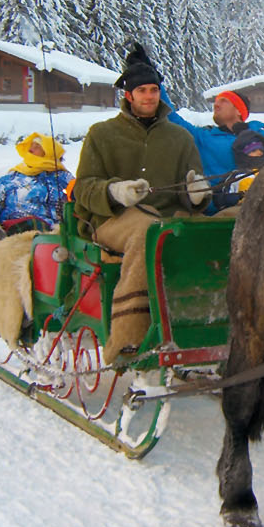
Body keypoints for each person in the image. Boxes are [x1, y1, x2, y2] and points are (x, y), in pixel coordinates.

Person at [71, 44, 211, 356]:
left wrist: (198, 193)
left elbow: (194, 189)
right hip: (113, 220)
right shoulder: (101, 134)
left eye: (154, 90)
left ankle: (210, 319)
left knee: (213, 231)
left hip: (170, 216)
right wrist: (114, 192)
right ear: (129, 95)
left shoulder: (180, 138)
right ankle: (128, 338)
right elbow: (83, 187)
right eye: (142, 90)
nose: (149, 96)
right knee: (149, 233)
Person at [176, 89, 264, 210]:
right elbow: (172, 119)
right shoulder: (203, 137)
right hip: (218, 214)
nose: (216, 105)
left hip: (262, 211)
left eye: (223, 101)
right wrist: (154, 81)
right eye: (216, 101)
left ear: (239, 110)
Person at [0, 133, 70, 237]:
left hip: (56, 232)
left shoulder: (64, 178)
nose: (31, 148)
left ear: (49, 152)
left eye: (37, 146)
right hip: (16, 229)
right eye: (31, 145)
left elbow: (79, 198)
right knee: (33, 225)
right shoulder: (15, 177)